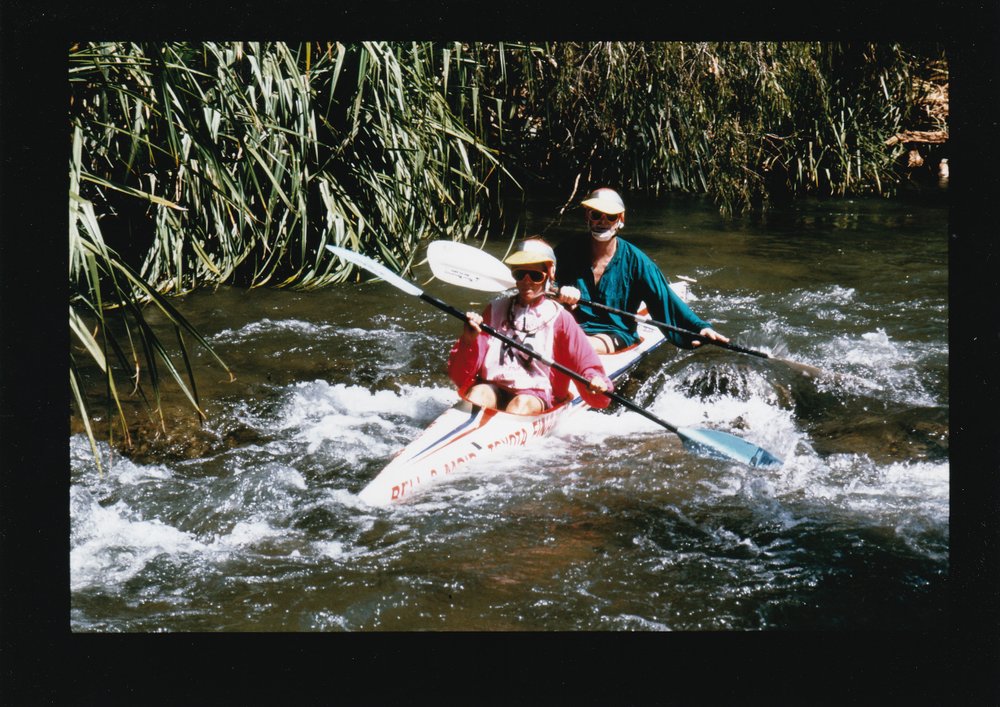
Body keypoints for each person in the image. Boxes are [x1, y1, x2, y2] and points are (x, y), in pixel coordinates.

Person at [447, 238, 614, 415]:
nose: (527, 282)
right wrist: (468, 341)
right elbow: (459, 377)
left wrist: (595, 380)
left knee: (521, 404)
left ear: (549, 275)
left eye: (535, 276)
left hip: (535, 395)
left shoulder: (561, 319)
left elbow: (587, 364)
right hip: (493, 386)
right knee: (477, 393)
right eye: (520, 274)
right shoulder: (494, 309)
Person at [554, 187, 730, 354]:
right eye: (596, 214)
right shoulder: (566, 250)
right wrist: (558, 293)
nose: (603, 221)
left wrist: (700, 328)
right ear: (587, 216)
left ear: (621, 219)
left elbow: (665, 300)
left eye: (611, 216)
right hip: (570, 327)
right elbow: (541, 285)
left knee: (577, 344)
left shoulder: (639, 263)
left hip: (613, 333)